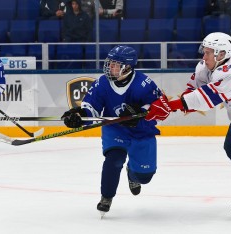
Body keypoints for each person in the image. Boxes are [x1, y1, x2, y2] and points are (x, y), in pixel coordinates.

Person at [145, 32, 231, 220]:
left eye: (208, 52)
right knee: (230, 147)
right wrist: (171, 106)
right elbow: (193, 91)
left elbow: (206, 98)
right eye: (204, 51)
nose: (204, 56)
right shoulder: (204, 66)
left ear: (221, 54)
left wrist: (172, 106)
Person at [61, 45, 162, 217]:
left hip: (141, 132)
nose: (110, 67)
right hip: (115, 129)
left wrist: (139, 114)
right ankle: (106, 197)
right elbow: (91, 107)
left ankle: (133, 173)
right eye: (110, 63)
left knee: (144, 176)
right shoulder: (102, 83)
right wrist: (79, 114)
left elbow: (160, 110)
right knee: (113, 160)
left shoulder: (144, 84)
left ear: (128, 67)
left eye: (115, 64)